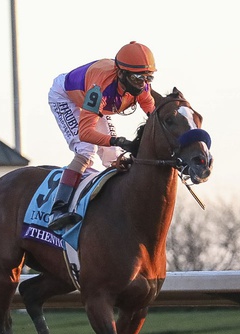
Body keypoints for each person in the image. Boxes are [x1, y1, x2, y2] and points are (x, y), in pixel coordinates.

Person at [47, 41, 157, 230]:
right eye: (138, 78)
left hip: (93, 103)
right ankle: (58, 210)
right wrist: (117, 140)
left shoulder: (142, 88)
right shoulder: (100, 89)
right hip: (65, 96)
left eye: (148, 78)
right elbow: (86, 132)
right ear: (121, 73)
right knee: (86, 150)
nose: (143, 85)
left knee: (113, 156)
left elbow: (155, 119)